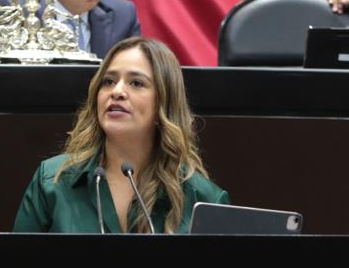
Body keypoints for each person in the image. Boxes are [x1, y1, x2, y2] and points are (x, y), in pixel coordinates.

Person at [15, 37, 227, 233]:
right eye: (108, 81)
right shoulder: (53, 181)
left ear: (164, 102)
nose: (117, 91)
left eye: (136, 83)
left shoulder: (205, 201)